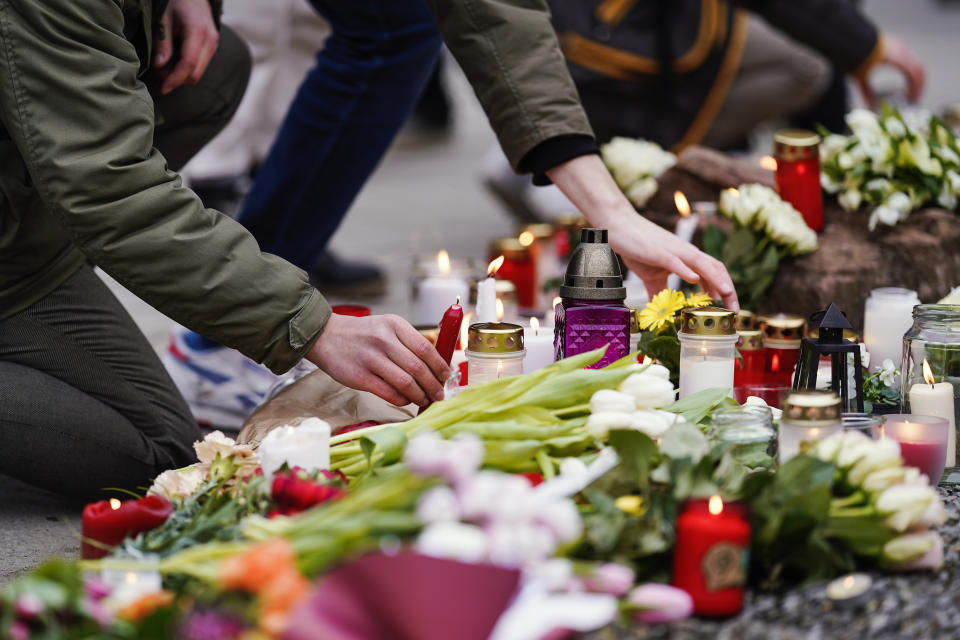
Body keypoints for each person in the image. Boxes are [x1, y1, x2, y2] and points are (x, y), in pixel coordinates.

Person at [0, 0, 735, 499]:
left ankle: (40, 253)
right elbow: (109, 187)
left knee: (159, 445)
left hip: (30, 228)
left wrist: (610, 210)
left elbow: (488, 9)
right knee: (145, 454)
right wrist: (308, 324)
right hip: (82, 176)